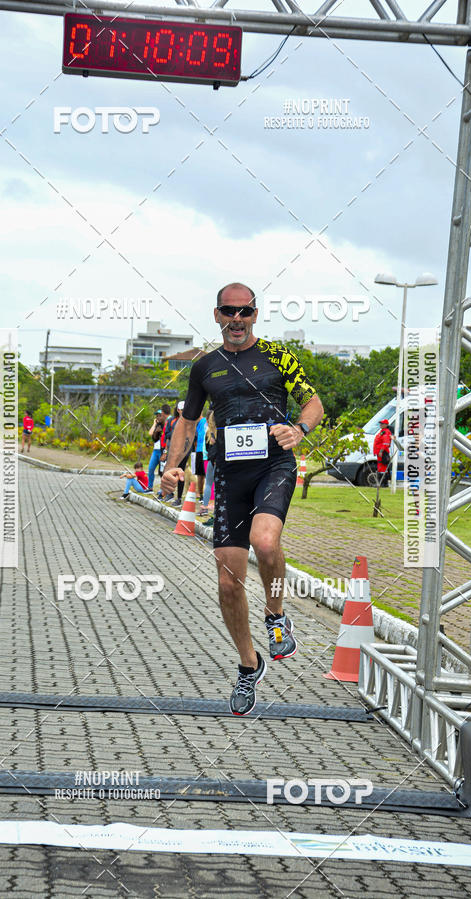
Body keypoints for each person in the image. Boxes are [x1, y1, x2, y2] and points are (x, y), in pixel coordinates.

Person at [161, 282, 323, 716]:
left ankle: (275, 615)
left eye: (245, 311)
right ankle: (249, 665)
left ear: (255, 314)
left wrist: (300, 430)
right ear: (217, 315)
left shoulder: (278, 357)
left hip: (274, 465)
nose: (237, 319)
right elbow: (187, 421)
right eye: (228, 311)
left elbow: (313, 404)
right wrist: (171, 465)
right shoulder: (204, 366)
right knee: (228, 582)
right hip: (230, 474)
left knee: (266, 541)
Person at [147, 404, 171, 490]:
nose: (157, 417)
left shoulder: (168, 424)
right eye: (156, 416)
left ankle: (162, 489)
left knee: (162, 471)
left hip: (163, 450)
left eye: (159, 415)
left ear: (163, 415)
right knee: (150, 469)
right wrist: (155, 426)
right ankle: (150, 488)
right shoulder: (158, 425)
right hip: (155, 451)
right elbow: (151, 435)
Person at [199, 409, 217, 521]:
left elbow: (207, 448)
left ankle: (204, 507)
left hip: (211, 460)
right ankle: (216, 510)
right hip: (219, 460)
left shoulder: (208, 431)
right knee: (218, 485)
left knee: (209, 484)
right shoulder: (220, 431)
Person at [373, 418, 392, 486]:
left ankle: (382, 483)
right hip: (380, 452)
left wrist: (381, 451)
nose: (380, 424)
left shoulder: (386, 432)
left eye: (382, 423)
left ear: (386, 425)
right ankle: (384, 483)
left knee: (382, 467)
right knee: (381, 467)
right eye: (380, 423)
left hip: (383, 452)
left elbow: (386, 443)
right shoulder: (382, 431)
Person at [194, 413, 207, 500]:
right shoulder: (196, 424)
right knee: (199, 475)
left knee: (207, 474)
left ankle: (207, 495)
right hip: (198, 451)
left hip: (205, 451)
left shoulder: (205, 421)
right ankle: (201, 494)